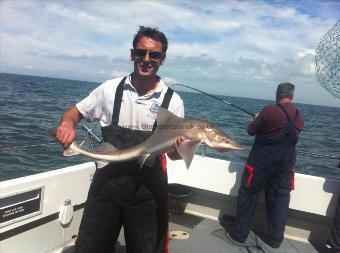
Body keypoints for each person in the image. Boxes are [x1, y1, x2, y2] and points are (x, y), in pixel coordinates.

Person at [56, 26, 184, 253]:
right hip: (106, 186)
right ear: (131, 54)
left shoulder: (173, 101)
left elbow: (173, 155)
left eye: (154, 54)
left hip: (148, 193)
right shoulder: (109, 89)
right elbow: (73, 113)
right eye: (140, 52)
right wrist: (66, 125)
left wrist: (180, 148)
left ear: (162, 59)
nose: (146, 59)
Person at [221, 82, 304, 248]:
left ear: (277, 95)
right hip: (286, 164)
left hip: (261, 161)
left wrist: (257, 118)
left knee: (249, 194)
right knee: (280, 199)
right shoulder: (298, 115)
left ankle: (240, 233)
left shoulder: (268, 111)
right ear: (292, 96)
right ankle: (275, 239)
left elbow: (250, 130)